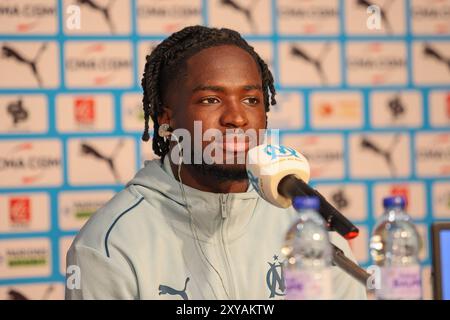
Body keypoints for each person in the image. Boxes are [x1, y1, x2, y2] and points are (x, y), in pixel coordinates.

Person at [65, 25, 367, 300]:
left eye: (251, 100)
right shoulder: (110, 243)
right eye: (211, 99)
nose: (236, 117)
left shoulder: (305, 224)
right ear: (166, 118)